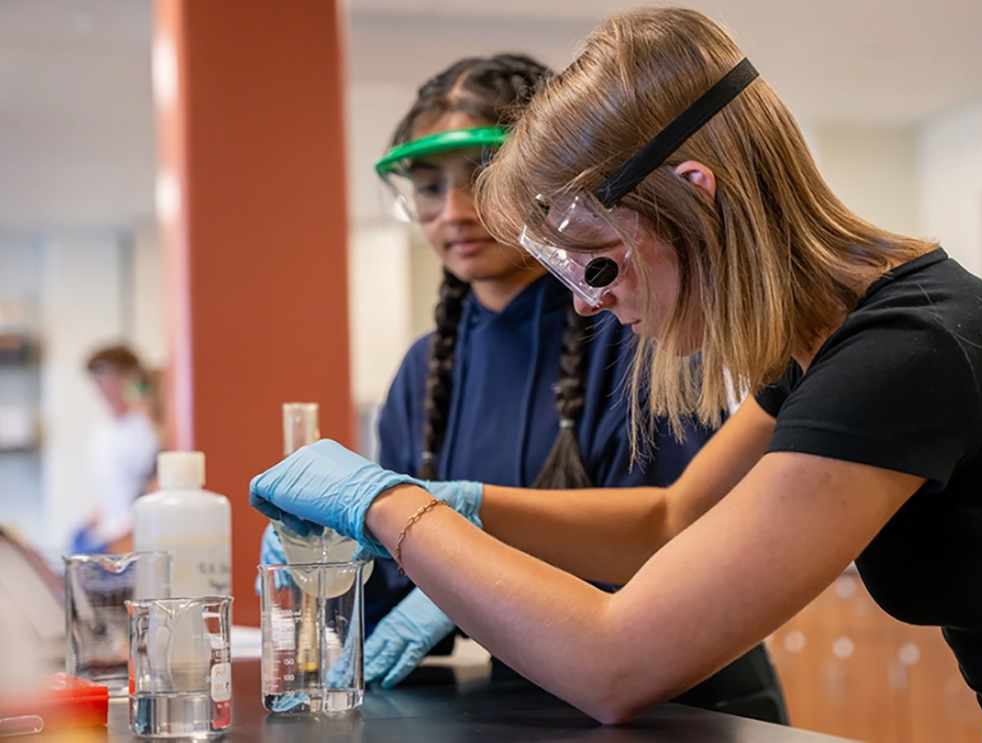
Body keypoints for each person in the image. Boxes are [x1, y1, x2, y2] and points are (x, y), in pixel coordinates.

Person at [251, 7, 982, 740]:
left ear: (694, 196)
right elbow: (667, 521)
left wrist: (390, 509)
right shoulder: (833, 342)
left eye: (599, 262)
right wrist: (456, 501)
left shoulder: (905, 354)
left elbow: (616, 666)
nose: (586, 302)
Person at [257, 52, 787, 723]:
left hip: (686, 702)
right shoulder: (423, 373)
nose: (452, 211)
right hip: (533, 705)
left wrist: (454, 551)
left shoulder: (643, 325)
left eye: (479, 174)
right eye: (426, 187)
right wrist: (333, 559)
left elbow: (675, 540)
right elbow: (392, 584)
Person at [73, 344, 161, 554]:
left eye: (114, 377)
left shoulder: (148, 428)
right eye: (100, 379)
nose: (106, 387)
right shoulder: (100, 432)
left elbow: (154, 487)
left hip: (135, 540)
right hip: (108, 535)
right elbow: (112, 492)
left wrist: (128, 537)